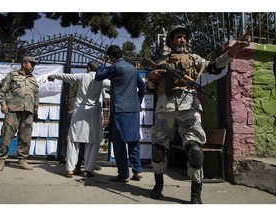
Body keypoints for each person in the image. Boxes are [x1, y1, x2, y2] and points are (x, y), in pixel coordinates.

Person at [146, 25, 251, 203]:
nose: (183, 40)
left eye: (184, 37)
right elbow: (150, 89)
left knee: (194, 150)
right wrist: (152, 77)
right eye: (178, 37)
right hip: (165, 107)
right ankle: (158, 186)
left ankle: (196, 194)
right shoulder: (161, 61)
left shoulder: (194, 59)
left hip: (189, 106)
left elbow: (214, 66)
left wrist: (231, 52)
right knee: (158, 150)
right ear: (170, 40)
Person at [47, 61, 110, 178]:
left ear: (88, 68)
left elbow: (66, 77)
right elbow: (114, 83)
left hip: (81, 111)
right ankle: (88, 170)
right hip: (94, 112)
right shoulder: (102, 79)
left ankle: (70, 169)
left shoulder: (82, 76)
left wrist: (54, 76)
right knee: (93, 142)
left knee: (73, 141)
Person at [95, 45, 146, 183]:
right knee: (134, 141)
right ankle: (137, 171)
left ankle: (124, 174)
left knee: (119, 143)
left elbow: (98, 76)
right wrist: (137, 101)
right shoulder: (133, 69)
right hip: (134, 111)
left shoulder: (115, 66)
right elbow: (142, 87)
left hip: (119, 110)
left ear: (111, 57)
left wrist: (103, 64)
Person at [0, 56, 39, 173]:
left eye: (34, 65)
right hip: (13, 109)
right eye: (31, 64)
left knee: (25, 136)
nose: (33, 67)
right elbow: (2, 89)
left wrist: (36, 108)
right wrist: (3, 104)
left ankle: (22, 160)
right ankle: (1, 160)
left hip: (28, 111)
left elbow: (36, 94)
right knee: (7, 134)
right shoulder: (12, 75)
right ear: (24, 64)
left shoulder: (33, 78)